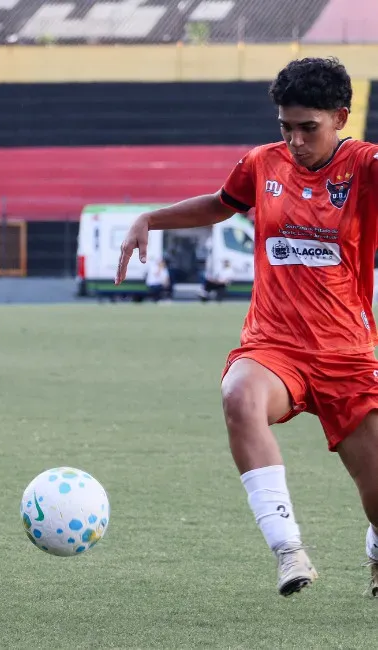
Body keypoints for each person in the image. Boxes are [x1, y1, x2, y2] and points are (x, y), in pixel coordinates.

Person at [116, 57, 378, 598]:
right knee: (239, 395)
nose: (295, 140)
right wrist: (150, 218)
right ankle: (288, 549)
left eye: (308, 128)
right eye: (286, 126)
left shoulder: (365, 165)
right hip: (274, 346)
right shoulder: (263, 163)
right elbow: (220, 205)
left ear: (340, 117)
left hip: (347, 354)